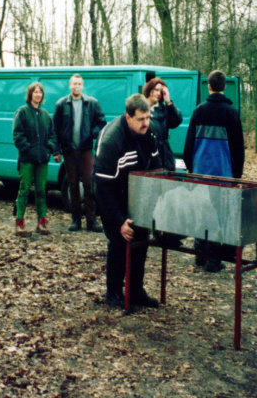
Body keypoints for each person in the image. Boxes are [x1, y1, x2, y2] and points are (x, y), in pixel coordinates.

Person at [94, 93, 161, 310]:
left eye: (148, 117)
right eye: (141, 119)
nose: (146, 123)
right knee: (119, 243)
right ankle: (113, 292)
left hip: (138, 193)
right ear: (128, 116)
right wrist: (119, 220)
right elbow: (103, 187)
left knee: (140, 242)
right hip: (112, 193)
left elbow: (156, 166)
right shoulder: (111, 140)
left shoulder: (149, 131)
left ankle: (135, 291)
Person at [183, 70, 245, 272]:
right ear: (224, 86)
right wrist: (237, 175)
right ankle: (213, 260)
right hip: (223, 174)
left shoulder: (198, 111)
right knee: (219, 214)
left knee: (201, 211)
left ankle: (200, 255)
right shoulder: (231, 113)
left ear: (208, 86)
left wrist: (190, 167)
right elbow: (238, 147)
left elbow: (188, 144)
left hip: (200, 172)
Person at [53, 73, 107, 232]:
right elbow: (54, 129)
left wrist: (91, 134)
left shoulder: (92, 103)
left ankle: (91, 220)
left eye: (79, 84)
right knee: (73, 185)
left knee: (89, 184)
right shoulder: (61, 104)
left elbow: (102, 123)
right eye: (74, 83)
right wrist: (56, 150)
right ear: (69, 85)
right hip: (69, 150)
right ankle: (75, 220)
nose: (76, 86)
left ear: (82, 86)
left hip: (86, 150)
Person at [12, 81, 61, 237]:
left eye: (40, 92)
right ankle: (20, 222)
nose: (38, 95)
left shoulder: (45, 115)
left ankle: (42, 222)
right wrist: (28, 150)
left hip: (42, 160)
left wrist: (48, 150)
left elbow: (52, 135)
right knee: (24, 189)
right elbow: (18, 135)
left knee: (41, 190)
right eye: (35, 92)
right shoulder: (22, 112)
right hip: (27, 160)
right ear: (30, 94)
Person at [142, 77, 183, 171]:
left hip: (164, 157)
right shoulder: (140, 107)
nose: (158, 94)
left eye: (161, 92)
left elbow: (176, 121)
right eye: (156, 90)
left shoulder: (164, 109)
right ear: (149, 89)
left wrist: (168, 102)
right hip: (147, 156)